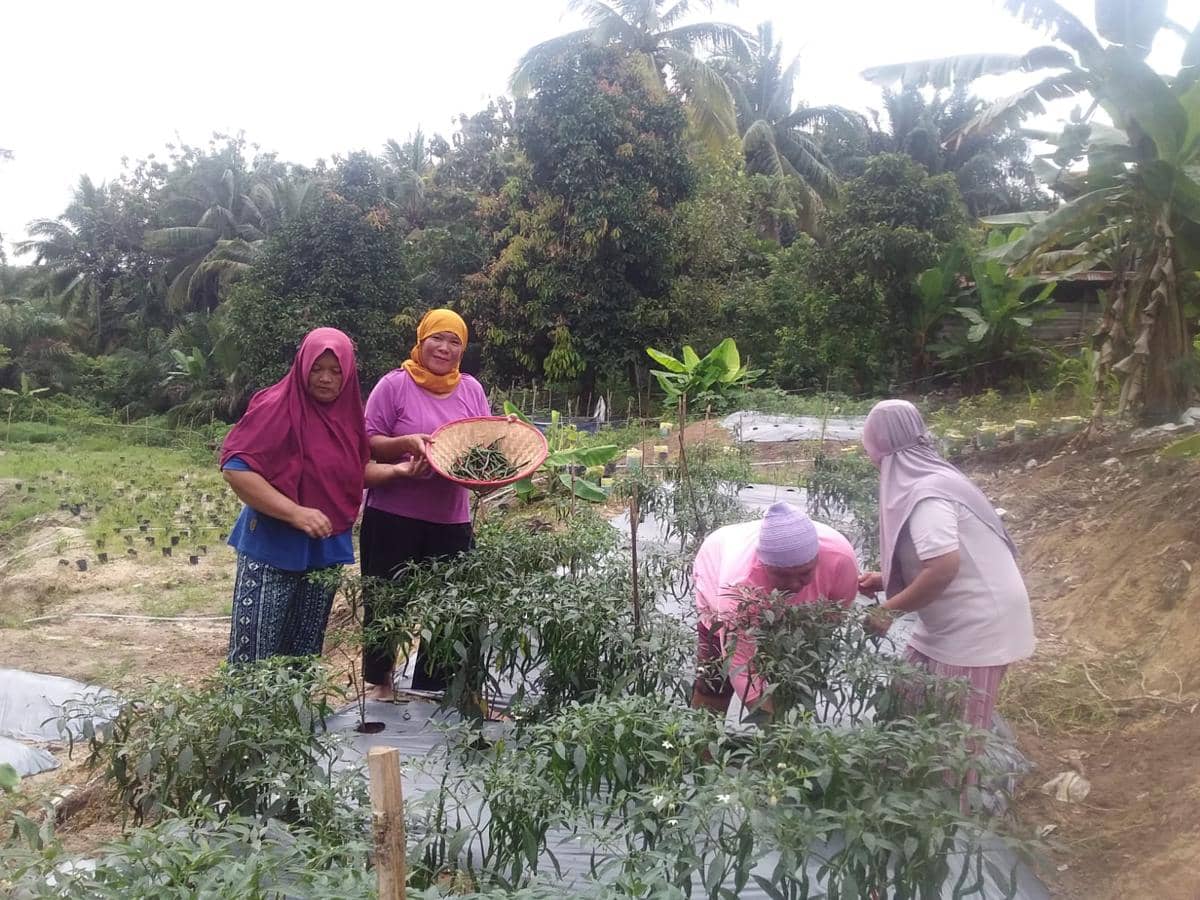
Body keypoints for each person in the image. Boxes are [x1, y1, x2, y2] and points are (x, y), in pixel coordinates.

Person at [220, 328, 419, 664]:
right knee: (253, 661)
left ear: (348, 374)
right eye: (317, 369)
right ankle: (251, 703)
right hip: (272, 547)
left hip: (324, 551)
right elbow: (236, 469)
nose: (326, 379)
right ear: (302, 366)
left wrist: (399, 471)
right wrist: (295, 512)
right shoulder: (276, 406)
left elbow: (353, 473)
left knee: (303, 659)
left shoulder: (348, 417)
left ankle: (297, 702)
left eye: (335, 371)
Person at [858, 399, 1035, 732]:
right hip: (946, 623)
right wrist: (885, 579)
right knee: (905, 706)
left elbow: (942, 568)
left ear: (879, 450)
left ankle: (958, 770)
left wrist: (887, 611)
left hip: (977, 628)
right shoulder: (931, 480)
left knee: (952, 736)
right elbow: (936, 558)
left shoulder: (928, 493)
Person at [360, 309, 490, 702]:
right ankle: (381, 682)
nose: (445, 348)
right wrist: (406, 445)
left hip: (450, 517)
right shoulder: (394, 385)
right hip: (393, 515)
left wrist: (481, 470)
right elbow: (368, 442)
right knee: (386, 599)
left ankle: (435, 685)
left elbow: (483, 444)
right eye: (438, 338)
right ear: (421, 340)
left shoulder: (471, 390)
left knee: (453, 603)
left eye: (455, 342)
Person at [691, 502, 860, 718]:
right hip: (716, 571)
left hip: (788, 612)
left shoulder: (840, 559)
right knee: (714, 683)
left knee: (792, 684)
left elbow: (831, 619)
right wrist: (773, 726)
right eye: (782, 575)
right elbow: (740, 664)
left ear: (817, 558)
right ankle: (702, 736)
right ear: (764, 566)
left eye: (805, 573)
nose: (795, 584)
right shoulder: (738, 585)